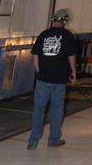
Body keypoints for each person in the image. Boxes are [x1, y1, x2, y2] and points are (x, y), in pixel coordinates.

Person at [28, 9, 77, 149]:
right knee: (56, 111)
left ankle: (33, 141)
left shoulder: (43, 34)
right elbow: (71, 56)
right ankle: (53, 140)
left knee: (39, 109)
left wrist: (38, 71)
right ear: (65, 21)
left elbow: (35, 54)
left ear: (53, 20)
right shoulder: (67, 35)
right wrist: (73, 72)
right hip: (59, 80)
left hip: (43, 79)